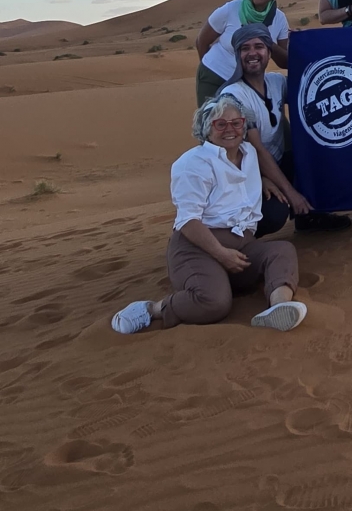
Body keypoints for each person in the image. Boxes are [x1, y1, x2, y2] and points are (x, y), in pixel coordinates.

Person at [111, 95, 306, 334]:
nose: (230, 129)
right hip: (197, 248)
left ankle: (280, 307)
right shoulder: (193, 163)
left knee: (282, 251)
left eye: (236, 123)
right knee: (214, 303)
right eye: (220, 124)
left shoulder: (249, 153)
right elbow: (188, 220)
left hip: (242, 245)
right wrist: (222, 254)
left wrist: (264, 179)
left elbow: (237, 180)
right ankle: (153, 309)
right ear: (206, 129)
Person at [223, 25, 351, 235]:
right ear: (237, 54)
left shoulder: (275, 82)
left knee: (320, 163)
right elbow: (256, 150)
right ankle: (234, 237)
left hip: (275, 162)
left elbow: (314, 92)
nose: (252, 53)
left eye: (259, 46)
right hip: (241, 175)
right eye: (245, 48)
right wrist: (290, 193)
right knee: (274, 213)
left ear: (269, 52)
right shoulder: (234, 96)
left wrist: (304, 45)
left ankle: (308, 217)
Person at [195, 0, 290, 106]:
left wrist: (267, 41)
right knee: (214, 118)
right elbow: (201, 41)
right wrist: (211, 67)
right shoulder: (230, 9)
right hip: (215, 77)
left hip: (250, 84)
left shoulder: (279, 19)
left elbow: (284, 62)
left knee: (260, 119)